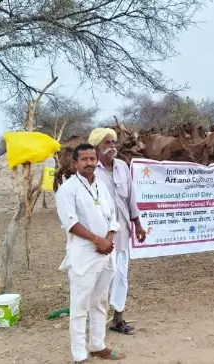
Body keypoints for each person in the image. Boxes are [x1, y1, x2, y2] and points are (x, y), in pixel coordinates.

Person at [55, 143, 126, 363]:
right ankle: (79, 356)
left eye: (92, 159)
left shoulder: (101, 187)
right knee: (80, 306)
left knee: (99, 302)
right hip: (83, 255)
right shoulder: (67, 189)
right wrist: (97, 240)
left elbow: (112, 218)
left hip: (106, 253)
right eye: (84, 159)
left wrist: (109, 240)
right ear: (75, 163)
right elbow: (71, 222)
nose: (89, 163)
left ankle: (98, 345)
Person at [88, 128, 147, 335]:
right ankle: (97, 324)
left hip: (122, 232)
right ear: (96, 145)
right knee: (100, 278)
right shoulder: (90, 171)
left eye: (113, 141)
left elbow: (131, 197)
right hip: (99, 235)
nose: (112, 146)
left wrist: (138, 224)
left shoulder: (122, 166)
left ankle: (118, 319)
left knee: (121, 275)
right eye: (107, 142)